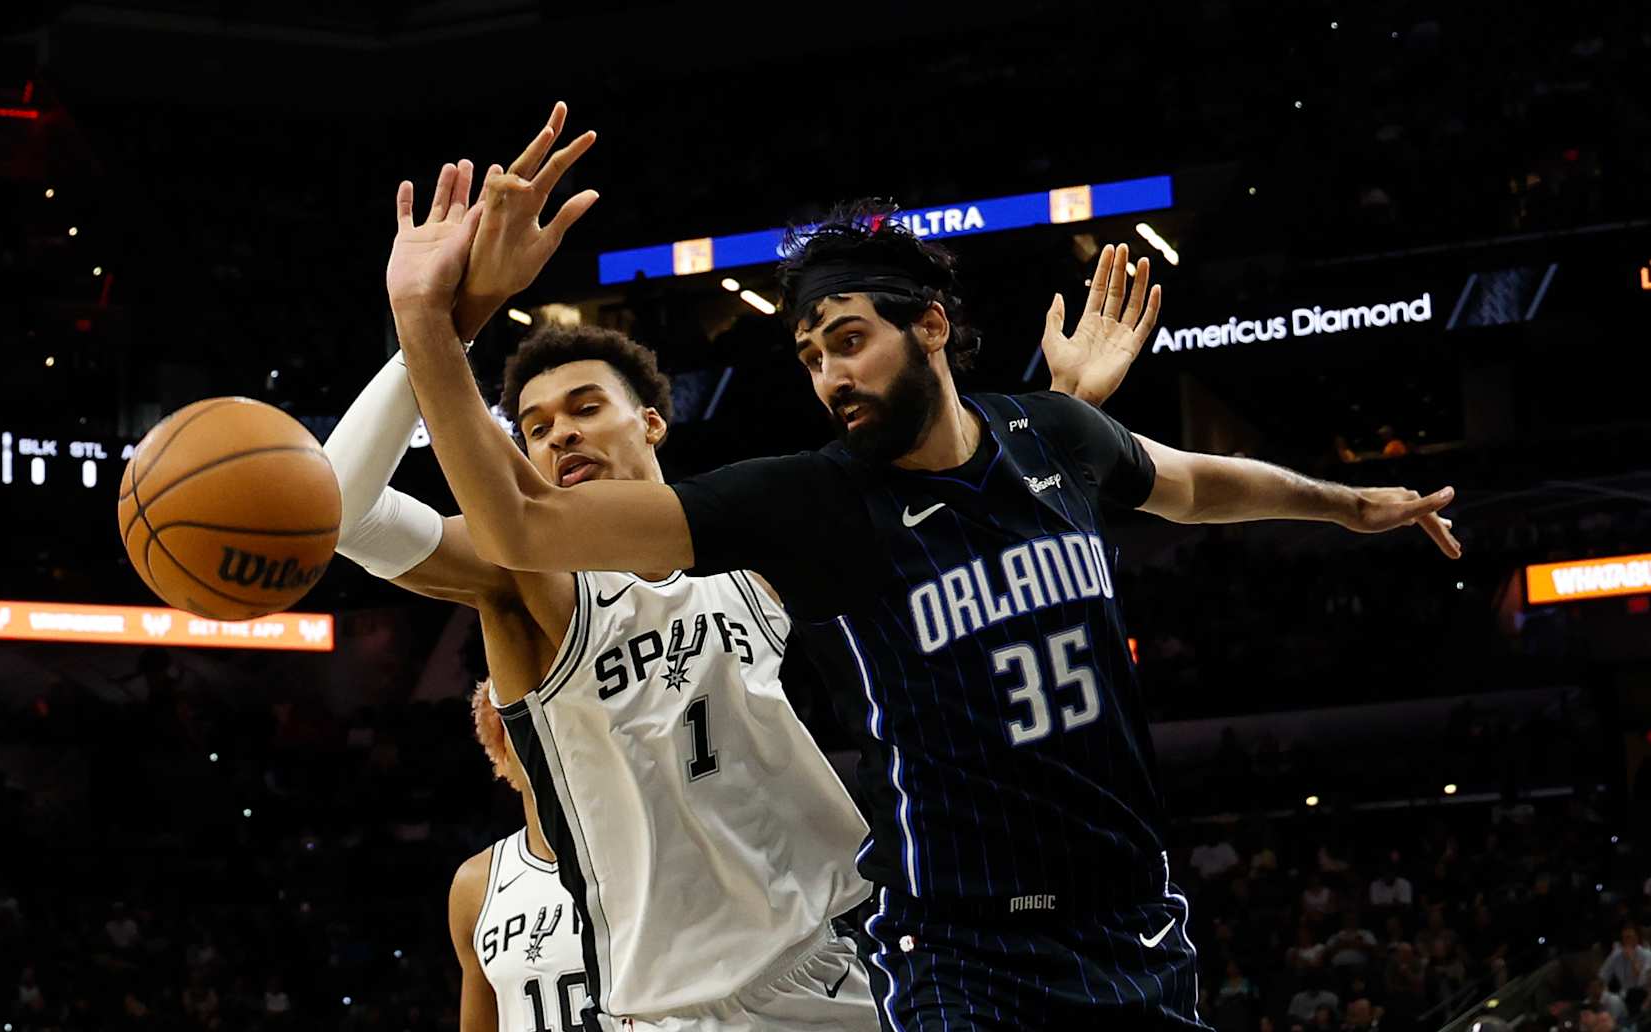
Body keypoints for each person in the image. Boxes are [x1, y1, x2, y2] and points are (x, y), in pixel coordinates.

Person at [387, 106, 1461, 1026]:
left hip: (1132, 920)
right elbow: (524, 525)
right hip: (958, 954)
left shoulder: (1056, 438)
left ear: (933, 325)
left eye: (849, 339)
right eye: (809, 356)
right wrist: (428, 320)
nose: (829, 375)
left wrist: (1348, 503)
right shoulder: (815, 502)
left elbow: (1200, 483)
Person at [333, 105, 1138, 1032]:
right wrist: (444, 323)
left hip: (844, 959)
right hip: (673, 1006)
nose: (560, 435)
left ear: (651, 424)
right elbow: (344, 510)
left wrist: (1057, 412)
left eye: (586, 407)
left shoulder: (755, 548)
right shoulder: (530, 583)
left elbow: (940, 488)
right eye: (539, 427)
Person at [447, 684, 584, 1032]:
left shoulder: (648, 858)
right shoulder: (474, 885)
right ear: (501, 752)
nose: (542, 738)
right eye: (523, 723)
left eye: (555, 716)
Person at [1600, 925, 1651, 995]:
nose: (1627, 941)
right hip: (1623, 994)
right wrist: (1604, 993)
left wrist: (1632, 959)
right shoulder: (1616, 955)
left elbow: (1643, 981)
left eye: (1629, 937)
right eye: (1624, 938)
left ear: (1637, 938)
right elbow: (1602, 976)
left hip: (1643, 993)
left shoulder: (1647, 954)